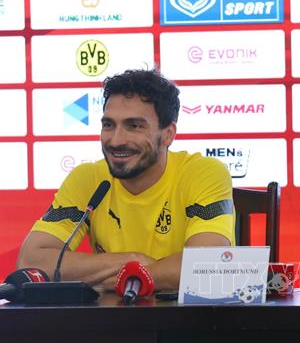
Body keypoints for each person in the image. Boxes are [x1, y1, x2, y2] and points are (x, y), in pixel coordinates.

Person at [17, 69, 235, 291]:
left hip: (188, 313)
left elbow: (207, 265)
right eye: (109, 125)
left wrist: (119, 275)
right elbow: (30, 262)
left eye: (134, 126)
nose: (116, 140)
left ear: (168, 134)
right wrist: (133, 261)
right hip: (113, 312)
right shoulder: (88, 178)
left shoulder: (203, 173)